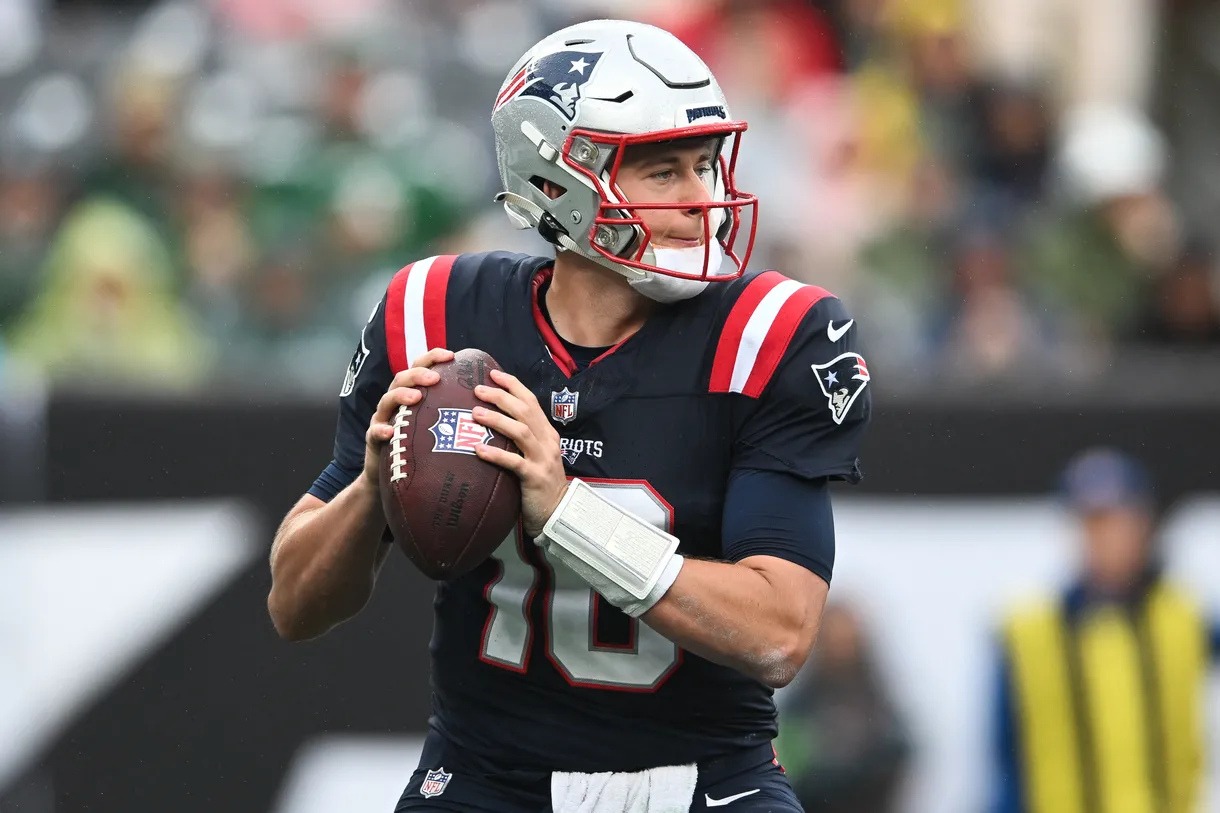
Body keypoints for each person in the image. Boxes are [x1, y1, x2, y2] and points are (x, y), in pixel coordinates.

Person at [268, 19, 871, 813]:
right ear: (560, 180)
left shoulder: (773, 336)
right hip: (487, 781)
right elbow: (295, 604)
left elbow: (780, 633)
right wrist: (372, 490)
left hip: (706, 781)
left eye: (704, 163)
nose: (703, 200)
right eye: (662, 172)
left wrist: (565, 510)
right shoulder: (438, 315)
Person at [991, 447, 1220, 813]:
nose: (1109, 538)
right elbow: (1006, 761)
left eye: (1120, 521)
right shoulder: (1030, 631)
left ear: (1145, 526)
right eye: (1094, 524)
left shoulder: (1183, 616)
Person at [776, 602, 910, 813]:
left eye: (847, 641)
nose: (840, 648)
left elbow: (900, 749)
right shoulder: (802, 702)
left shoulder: (878, 701)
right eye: (833, 639)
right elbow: (790, 764)